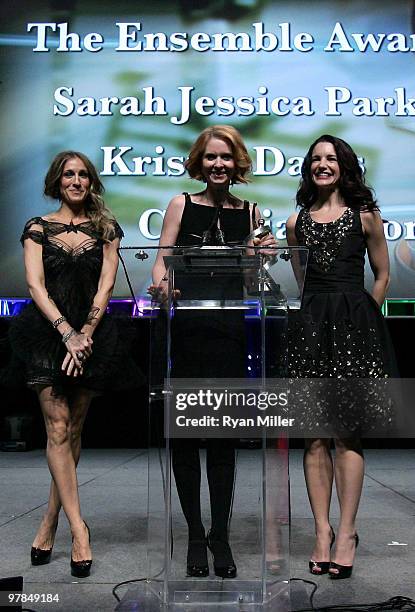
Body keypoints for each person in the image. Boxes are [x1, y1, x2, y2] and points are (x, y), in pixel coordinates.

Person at [4, 151, 141, 578]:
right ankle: (79, 530)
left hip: (93, 334)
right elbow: (34, 285)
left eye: (83, 174)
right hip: (47, 333)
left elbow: (105, 287)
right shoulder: (37, 227)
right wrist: (67, 333)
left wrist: (85, 333)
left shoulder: (106, 228)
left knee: (74, 430)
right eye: (69, 174)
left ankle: (48, 523)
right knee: (57, 428)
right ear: (57, 181)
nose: (76, 180)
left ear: (91, 181)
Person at [150, 125, 277, 579]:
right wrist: (163, 287)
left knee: (223, 444)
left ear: (237, 162)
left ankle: (220, 537)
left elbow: (250, 284)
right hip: (187, 334)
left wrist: (261, 259)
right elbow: (161, 262)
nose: (218, 164)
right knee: (185, 442)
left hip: (227, 337)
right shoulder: (181, 205)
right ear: (199, 163)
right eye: (210, 158)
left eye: (226, 157)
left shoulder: (252, 211)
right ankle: (193, 536)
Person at [286, 135, 397, 580]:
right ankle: (321, 532)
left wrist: (364, 315)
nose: (322, 165)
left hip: (355, 326)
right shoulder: (296, 222)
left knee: (347, 436)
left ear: (344, 166)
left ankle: (347, 533)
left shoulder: (365, 215)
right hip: (312, 326)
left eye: (330, 159)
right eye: (315, 159)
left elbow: (383, 272)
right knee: (314, 437)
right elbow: (302, 278)